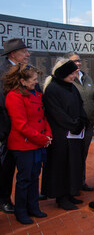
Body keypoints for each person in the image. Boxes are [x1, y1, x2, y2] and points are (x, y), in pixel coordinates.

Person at [3, 64, 52, 224]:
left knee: (34, 176)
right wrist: (41, 138)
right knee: (24, 179)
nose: (36, 82)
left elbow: (43, 117)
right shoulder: (14, 96)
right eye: (34, 80)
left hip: (37, 143)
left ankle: (33, 207)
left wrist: (48, 135)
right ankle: (21, 211)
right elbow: (21, 125)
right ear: (22, 81)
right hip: (23, 145)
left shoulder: (36, 94)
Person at [41, 59, 88, 210]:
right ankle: (61, 197)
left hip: (74, 134)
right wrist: (73, 125)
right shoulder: (52, 89)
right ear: (63, 74)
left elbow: (80, 105)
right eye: (71, 74)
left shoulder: (71, 87)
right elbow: (56, 113)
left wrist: (82, 121)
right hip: (61, 135)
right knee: (60, 165)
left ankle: (69, 193)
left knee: (72, 164)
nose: (74, 76)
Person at [0, 38, 31, 214]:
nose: (27, 55)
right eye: (24, 52)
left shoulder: (26, 70)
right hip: (8, 127)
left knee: (25, 167)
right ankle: (4, 199)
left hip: (25, 126)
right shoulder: (2, 72)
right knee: (7, 167)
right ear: (13, 54)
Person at [65, 52, 94, 192]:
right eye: (74, 61)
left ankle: (81, 181)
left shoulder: (87, 77)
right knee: (73, 156)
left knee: (83, 155)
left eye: (78, 61)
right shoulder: (67, 80)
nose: (77, 63)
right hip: (74, 127)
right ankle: (71, 185)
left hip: (88, 124)